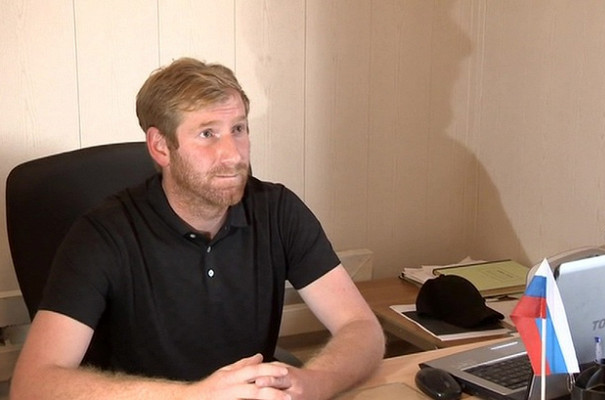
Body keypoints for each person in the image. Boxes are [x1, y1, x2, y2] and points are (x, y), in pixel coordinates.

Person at [10, 57, 385, 400]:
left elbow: (361, 328)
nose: (233, 154)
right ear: (161, 147)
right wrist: (195, 396)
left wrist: (312, 383)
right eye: (208, 134)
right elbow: (32, 384)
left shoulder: (278, 211)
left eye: (238, 129)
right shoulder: (103, 235)